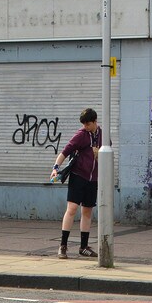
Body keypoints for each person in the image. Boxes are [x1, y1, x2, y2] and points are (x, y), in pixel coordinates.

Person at [55, 107, 102, 259]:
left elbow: (107, 151)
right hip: (78, 175)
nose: (85, 127)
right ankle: (63, 245)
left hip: (93, 178)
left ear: (95, 122)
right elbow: (65, 151)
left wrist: (99, 153)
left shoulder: (103, 135)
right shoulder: (81, 135)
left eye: (87, 124)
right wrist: (56, 167)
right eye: (83, 124)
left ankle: (83, 247)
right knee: (72, 208)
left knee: (87, 211)